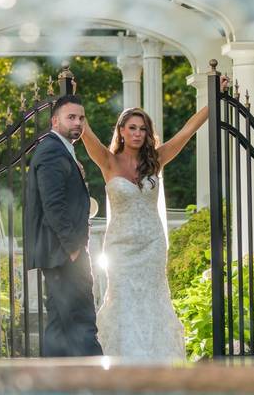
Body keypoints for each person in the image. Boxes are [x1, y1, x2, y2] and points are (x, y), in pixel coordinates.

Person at [80, 79, 227, 359]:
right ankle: (123, 366)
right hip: (120, 248)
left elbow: (187, 131)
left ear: (148, 133)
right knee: (122, 301)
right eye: (132, 128)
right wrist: (70, 96)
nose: (137, 133)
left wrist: (214, 98)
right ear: (122, 131)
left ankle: (157, 364)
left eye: (142, 128)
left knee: (153, 301)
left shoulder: (156, 160)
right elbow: (85, 131)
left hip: (152, 245)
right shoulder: (108, 162)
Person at [23, 94, 103, 357]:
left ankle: (52, 383)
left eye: (81, 118)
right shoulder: (52, 150)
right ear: (55, 121)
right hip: (64, 253)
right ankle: (100, 383)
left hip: (60, 253)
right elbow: (53, 204)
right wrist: (73, 248)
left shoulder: (61, 149)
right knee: (82, 321)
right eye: (71, 117)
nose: (77, 122)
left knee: (58, 325)